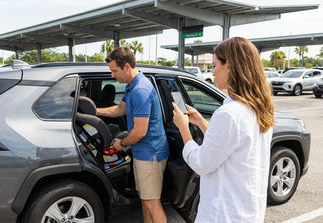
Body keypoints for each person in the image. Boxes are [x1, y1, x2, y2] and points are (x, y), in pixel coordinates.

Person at [172, 37, 275, 223]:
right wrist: (203, 123)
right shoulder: (260, 109)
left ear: (229, 66)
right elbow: (232, 145)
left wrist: (183, 129)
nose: (213, 72)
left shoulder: (229, 113)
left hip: (222, 214)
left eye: (216, 65)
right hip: (249, 213)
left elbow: (201, 163)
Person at [97, 46, 169, 223]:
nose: (112, 75)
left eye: (114, 71)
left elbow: (139, 131)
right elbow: (120, 109)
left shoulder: (140, 90)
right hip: (141, 152)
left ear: (127, 67)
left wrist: (121, 144)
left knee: (152, 202)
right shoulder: (132, 86)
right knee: (144, 198)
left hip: (150, 154)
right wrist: (94, 111)